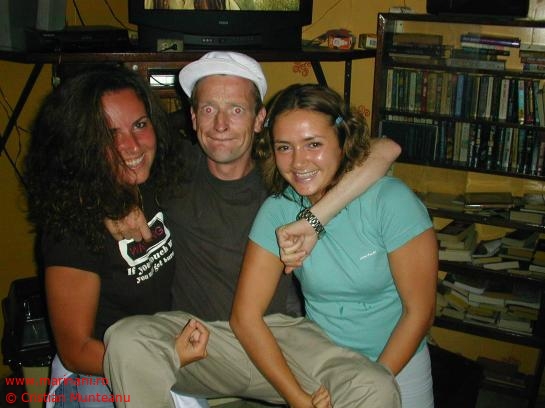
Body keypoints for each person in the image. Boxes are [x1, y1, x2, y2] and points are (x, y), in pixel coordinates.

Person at [103, 51, 402, 408]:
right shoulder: (174, 168)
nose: (221, 125)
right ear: (193, 117)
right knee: (126, 341)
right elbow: (97, 158)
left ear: (260, 119)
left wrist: (315, 218)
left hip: (279, 339)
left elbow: (385, 149)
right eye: (209, 109)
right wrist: (115, 200)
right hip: (201, 342)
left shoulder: (287, 172)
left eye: (236, 109)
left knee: (373, 387)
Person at [230, 83, 438, 408]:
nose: (298, 162)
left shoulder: (390, 201)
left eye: (313, 144)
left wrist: (370, 384)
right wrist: (296, 397)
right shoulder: (279, 210)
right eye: (284, 147)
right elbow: (245, 318)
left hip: (398, 363)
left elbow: (421, 313)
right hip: (325, 365)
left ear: (343, 139)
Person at [22, 65, 210, 408]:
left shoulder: (158, 179)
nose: (131, 146)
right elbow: (76, 350)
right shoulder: (72, 227)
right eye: (109, 134)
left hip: (160, 351)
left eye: (140, 125)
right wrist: (163, 357)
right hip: (97, 372)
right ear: (81, 143)